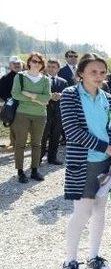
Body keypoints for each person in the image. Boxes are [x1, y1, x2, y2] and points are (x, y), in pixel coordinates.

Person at [59, 53, 111, 269]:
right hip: (84, 162)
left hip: (106, 162)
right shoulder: (70, 95)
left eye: (102, 72)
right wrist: (106, 148)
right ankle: (69, 261)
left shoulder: (109, 99)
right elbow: (73, 131)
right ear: (81, 73)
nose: (98, 76)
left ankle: (94, 256)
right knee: (83, 212)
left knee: (99, 211)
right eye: (93, 71)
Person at [11, 52, 51, 183]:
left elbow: (47, 98)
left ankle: (34, 170)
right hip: (22, 114)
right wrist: (38, 99)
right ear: (29, 62)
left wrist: (29, 95)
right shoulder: (20, 76)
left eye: (39, 62)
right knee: (20, 144)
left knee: (37, 144)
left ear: (42, 64)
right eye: (34, 61)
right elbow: (16, 94)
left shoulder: (46, 79)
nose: (36, 64)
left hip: (40, 115)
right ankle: (20, 171)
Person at [41, 59, 68, 165]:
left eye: (54, 67)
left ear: (58, 69)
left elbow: (67, 96)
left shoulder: (63, 81)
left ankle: (52, 158)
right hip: (44, 112)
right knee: (42, 136)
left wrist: (61, 96)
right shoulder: (41, 80)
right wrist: (50, 96)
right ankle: (38, 158)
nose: (51, 69)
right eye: (49, 66)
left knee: (55, 136)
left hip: (58, 112)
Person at [0, 56, 23, 148]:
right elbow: (2, 94)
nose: (17, 65)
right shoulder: (5, 78)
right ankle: (15, 146)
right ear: (10, 65)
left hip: (27, 105)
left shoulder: (26, 76)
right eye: (15, 64)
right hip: (13, 107)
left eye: (18, 63)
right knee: (14, 127)